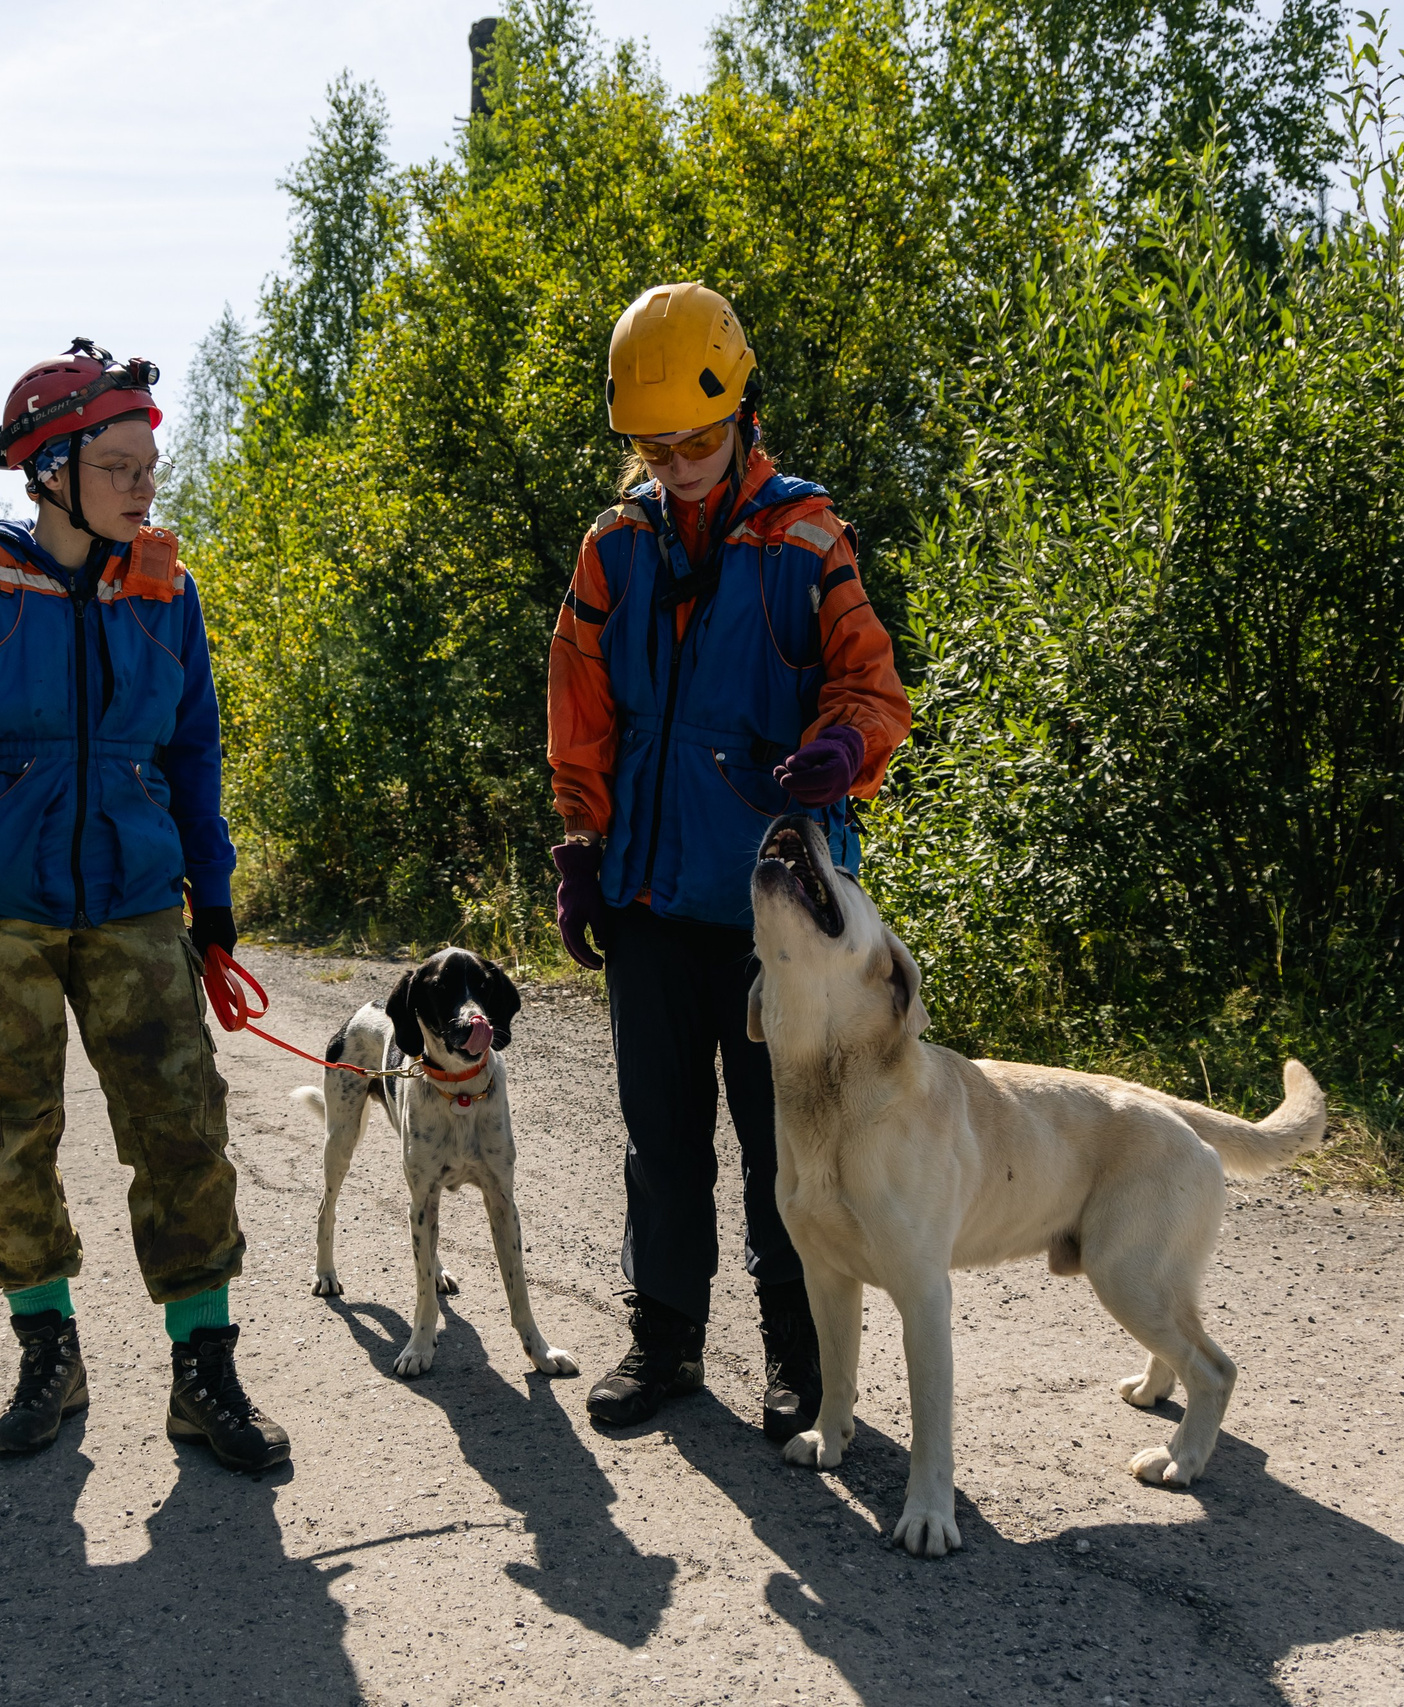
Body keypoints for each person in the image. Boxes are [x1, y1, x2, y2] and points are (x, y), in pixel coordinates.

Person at [0, 339, 287, 1471]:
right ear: (49, 467)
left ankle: (205, 1371)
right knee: (3, 1133)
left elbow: (193, 749)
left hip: (136, 896)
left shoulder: (166, 588)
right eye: (118, 466)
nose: (144, 488)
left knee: (182, 1127)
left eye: (150, 464)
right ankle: (46, 1345)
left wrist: (213, 896)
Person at [547, 282, 912, 1440]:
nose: (678, 461)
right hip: (650, 891)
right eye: (654, 444)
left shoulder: (807, 539)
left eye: (697, 439)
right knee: (661, 1140)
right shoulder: (613, 549)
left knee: (784, 1145)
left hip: (776, 906)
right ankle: (664, 1343)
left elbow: (872, 685)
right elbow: (580, 710)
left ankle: (801, 1360)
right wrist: (578, 845)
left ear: (742, 414)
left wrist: (843, 744)